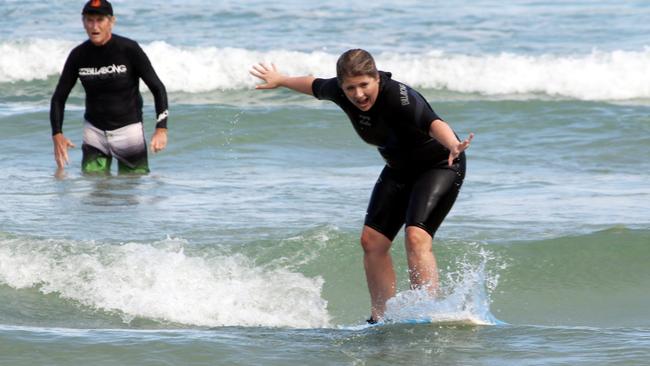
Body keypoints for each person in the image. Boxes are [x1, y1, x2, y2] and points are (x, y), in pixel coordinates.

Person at [250, 49, 473, 323]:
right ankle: (381, 318)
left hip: (440, 165)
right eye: (350, 88)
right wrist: (281, 80)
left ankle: (425, 311)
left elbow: (432, 122)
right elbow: (313, 84)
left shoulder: (399, 97)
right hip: (399, 169)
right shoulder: (339, 91)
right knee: (372, 241)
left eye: (364, 85)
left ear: (377, 78)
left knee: (416, 236)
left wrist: (452, 144)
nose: (357, 94)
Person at [50, 0, 169, 175]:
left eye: (100, 20)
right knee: (93, 189)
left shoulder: (129, 49)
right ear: (83, 22)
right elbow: (59, 98)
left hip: (129, 132)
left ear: (111, 21)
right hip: (94, 133)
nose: (94, 26)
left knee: (132, 191)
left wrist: (161, 129)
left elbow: (158, 88)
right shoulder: (78, 55)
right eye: (89, 20)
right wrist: (57, 134)